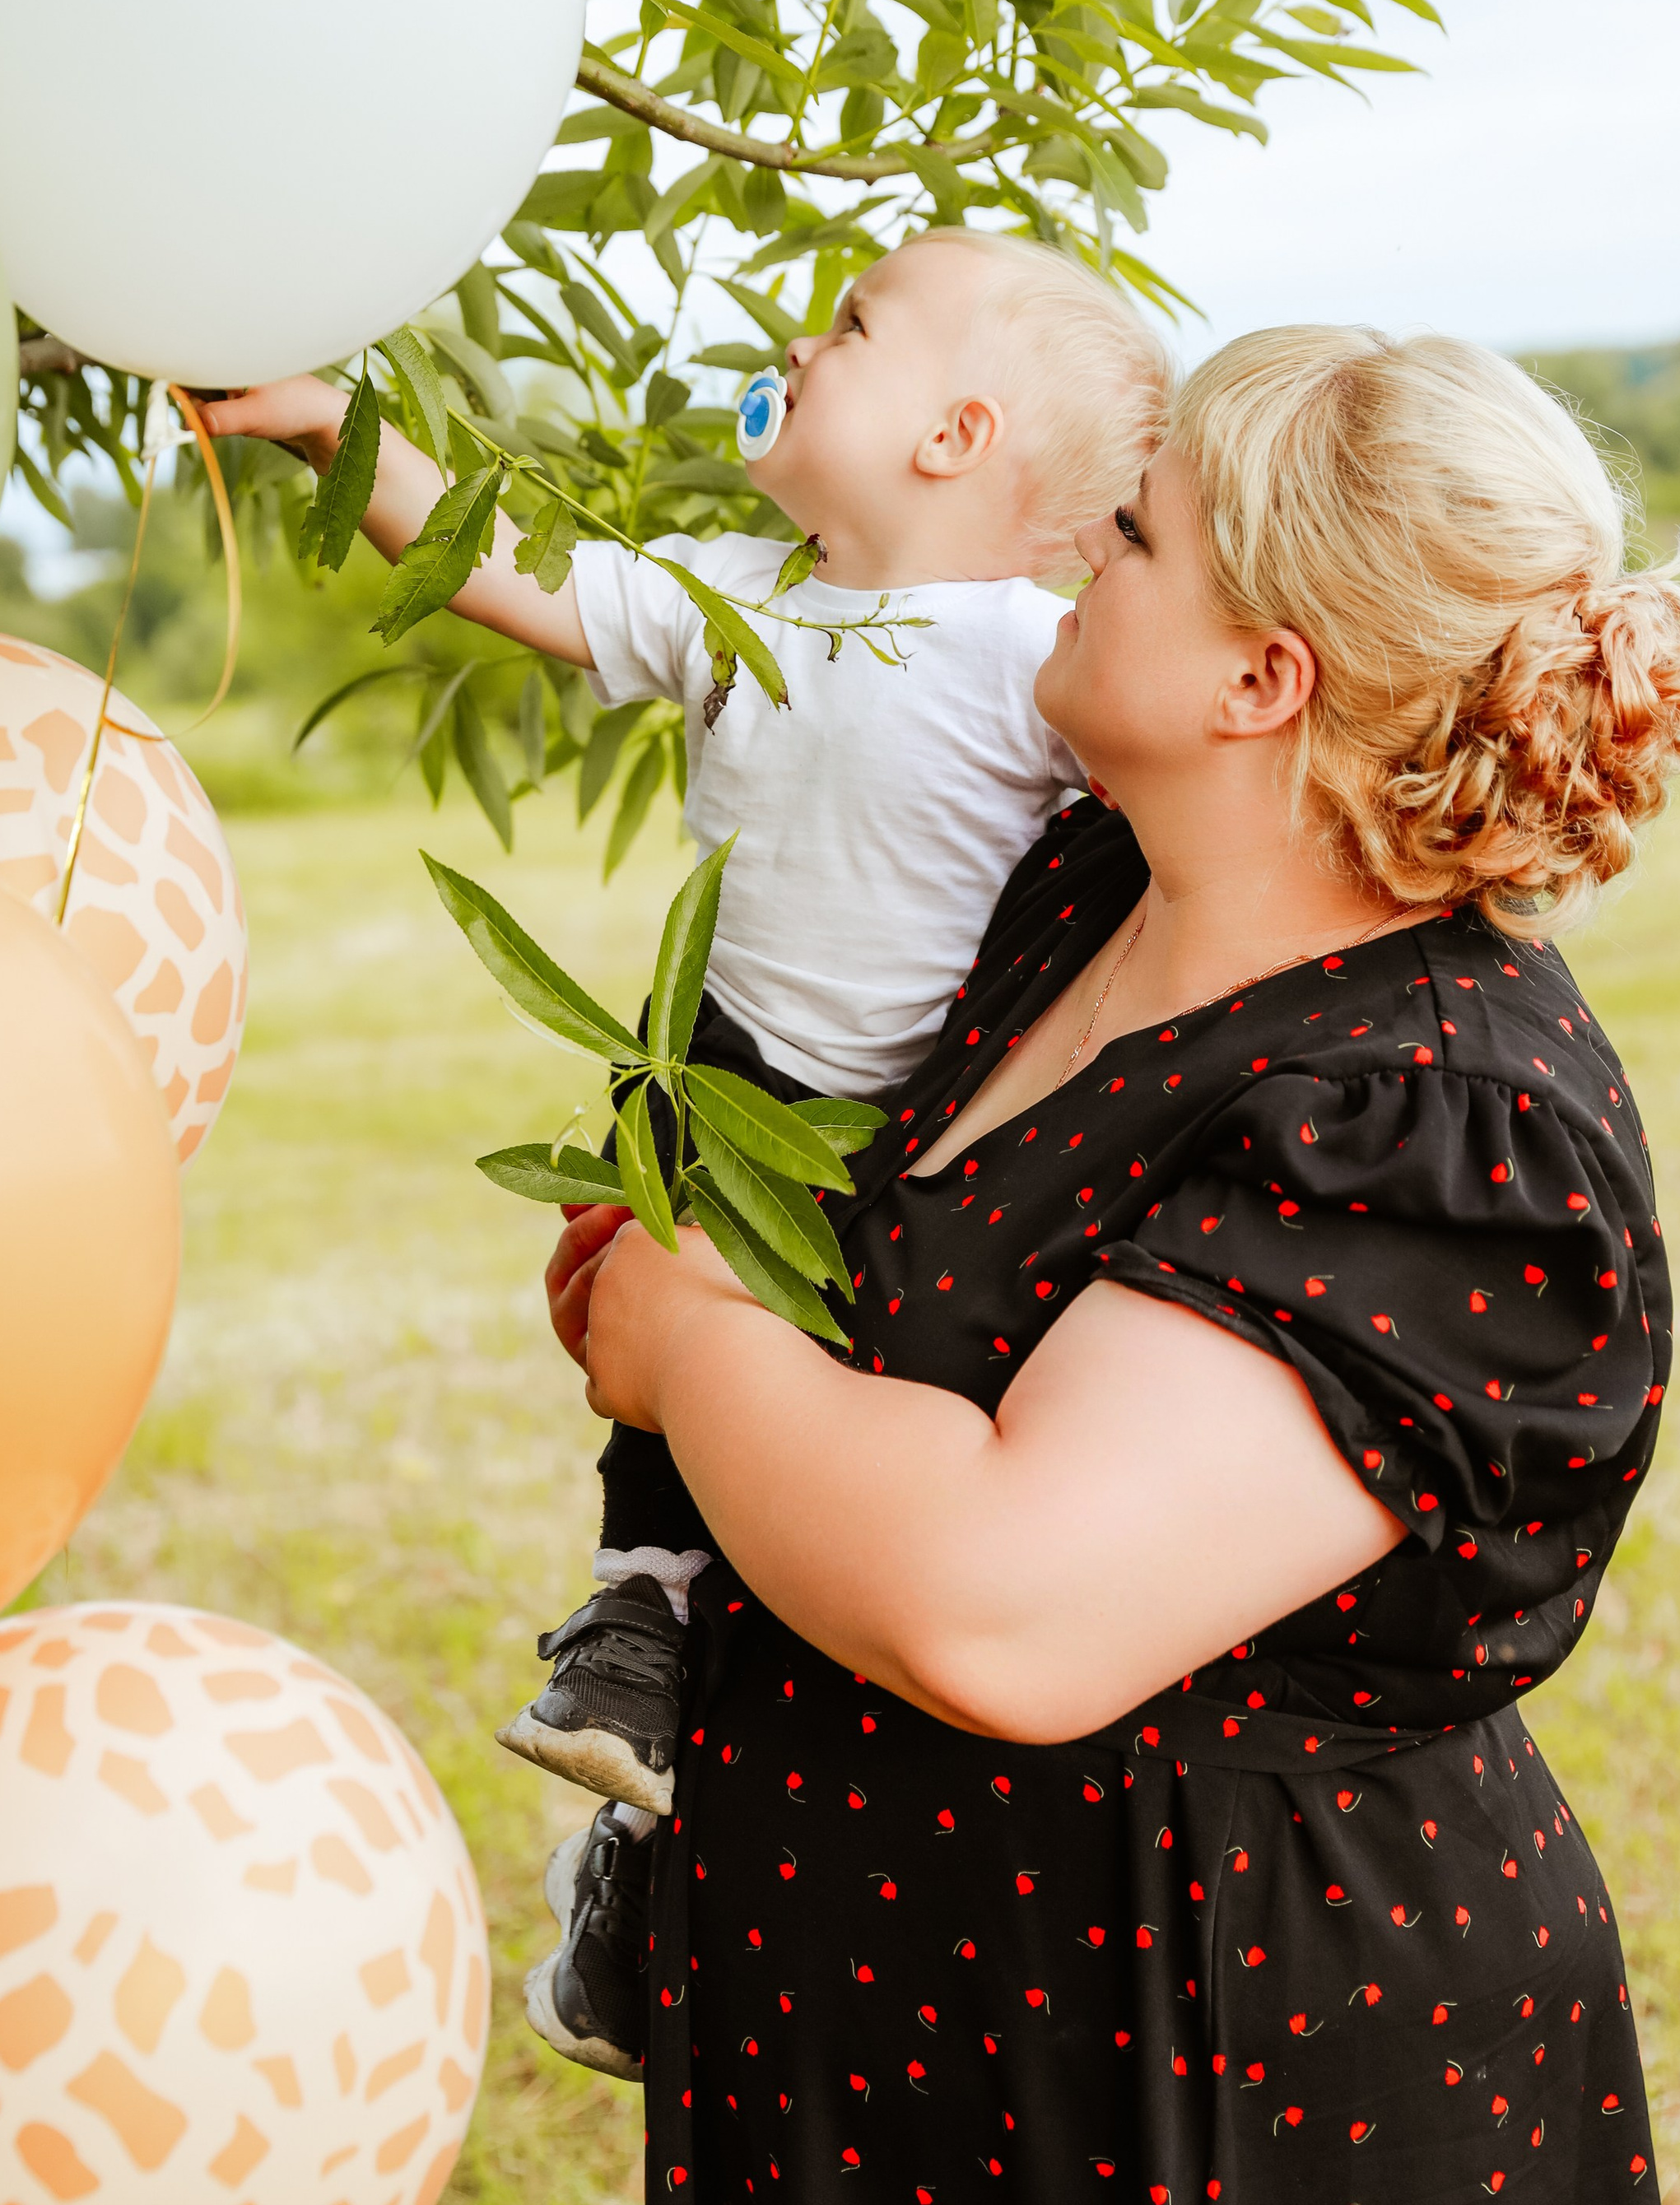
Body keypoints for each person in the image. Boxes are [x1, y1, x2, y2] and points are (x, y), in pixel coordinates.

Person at [548, 320, 1680, 2205]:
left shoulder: (1434, 1112)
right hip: (928, 2063)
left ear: (1256, 680)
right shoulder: (1085, 885)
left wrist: (678, 1338)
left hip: (1213, 2099)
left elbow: (1003, 1602)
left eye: (1138, 535)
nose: (1080, 543)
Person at [202, 229, 1174, 2072]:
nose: (800, 342)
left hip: (899, 1132)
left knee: (791, 1495)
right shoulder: (740, 594)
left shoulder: (1028, 657)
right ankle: (632, 1666)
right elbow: (528, 575)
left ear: (954, 436)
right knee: (660, 1399)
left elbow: (1165, 788)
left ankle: (668, 1799)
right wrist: (336, 427)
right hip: (710, 1074)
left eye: (852, 325)